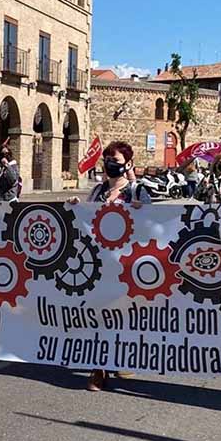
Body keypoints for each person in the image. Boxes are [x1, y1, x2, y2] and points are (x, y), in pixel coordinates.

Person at [70, 141, 151, 392]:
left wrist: (142, 212)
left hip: (125, 266)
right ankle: (98, 367)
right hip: (97, 265)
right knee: (98, 314)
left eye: (114, 158)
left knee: (121, 315)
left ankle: (120, 357)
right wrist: (75, 207)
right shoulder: (97, 192)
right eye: (106, 158)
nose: (109, 163)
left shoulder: (137, 192)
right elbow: (85, 219)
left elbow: (155, 227)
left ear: (127, 163)